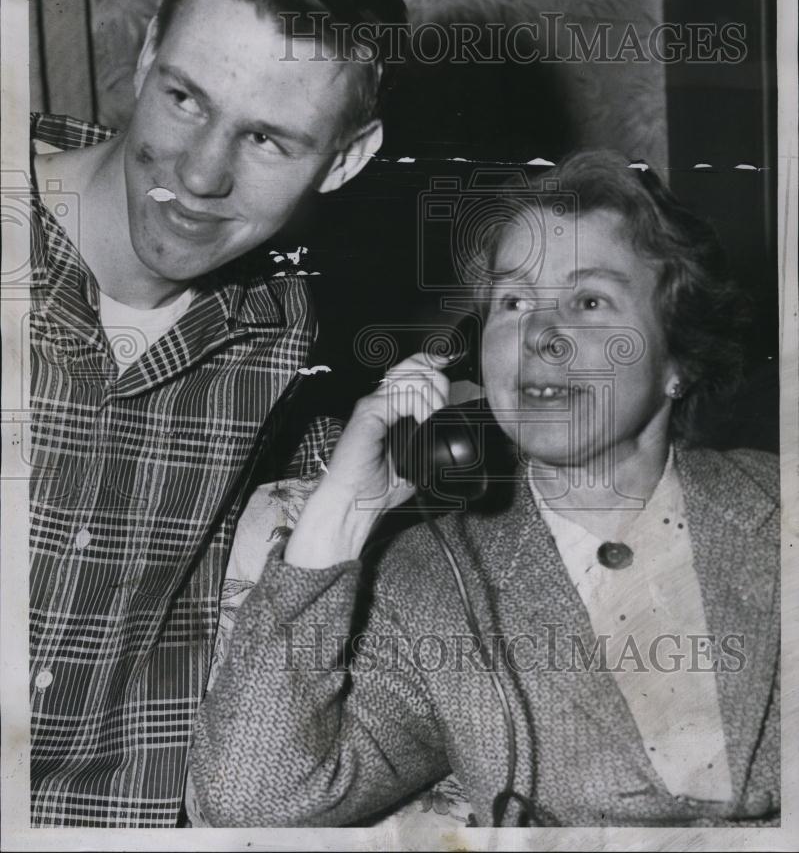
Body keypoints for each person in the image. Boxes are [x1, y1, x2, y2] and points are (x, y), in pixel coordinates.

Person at [189, 150, 780, 827]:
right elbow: (251, 803)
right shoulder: (435, 585)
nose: (540, 335)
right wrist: (340, 514)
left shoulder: (778, 511)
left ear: (677, 358)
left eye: (588, 300)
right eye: (512, 301)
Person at [29, 0, 408, 827]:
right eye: (186, 96)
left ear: (347, 160)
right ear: (150, 46)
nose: (198, 175)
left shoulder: (286, 339)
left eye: (267, 138)